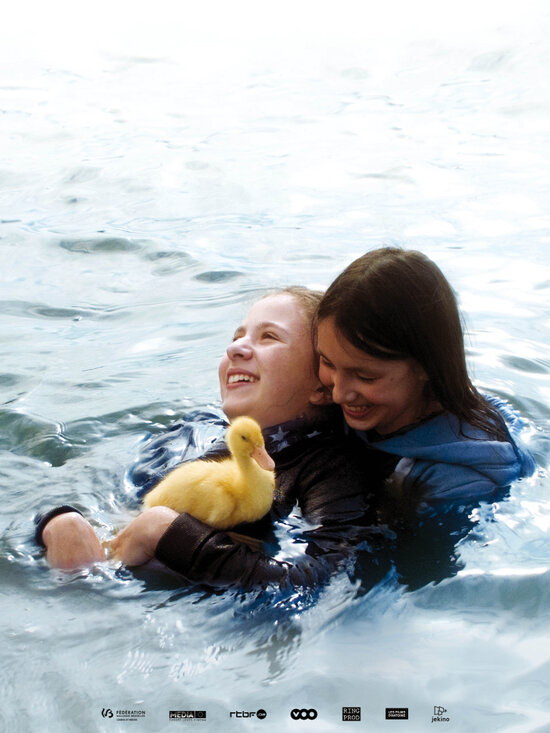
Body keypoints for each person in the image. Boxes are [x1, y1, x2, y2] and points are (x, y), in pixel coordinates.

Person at [36, 287, 386, 587]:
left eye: (269, 337)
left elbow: (323, 578)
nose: (236, 349)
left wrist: (164, 533)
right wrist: (58, 521)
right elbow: (90, 485)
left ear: (323, 384)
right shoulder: (194, 429)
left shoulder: (332, 470)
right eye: (237, 337)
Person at [314, 247, 535, 512]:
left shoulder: (459, 481)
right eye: (327, 362)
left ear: (427, 365)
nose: (339, 393)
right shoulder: (361, 410)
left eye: (365, 376)